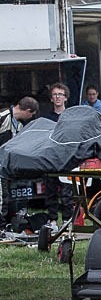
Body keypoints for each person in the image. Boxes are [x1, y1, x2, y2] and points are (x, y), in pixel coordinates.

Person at [0, 97, 39, 229]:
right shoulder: (3, 117)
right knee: (1, 197)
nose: (30, 118)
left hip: (7, 167)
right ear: (27, 111)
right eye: (31, 115)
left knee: (8, 198)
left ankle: (8, 224)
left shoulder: (20, 125)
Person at [42, 82, 74, 230]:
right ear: (51, 98)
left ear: (65, 98)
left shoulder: (71, 117)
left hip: (67, 159)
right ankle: (53, 220)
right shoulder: (46, 118)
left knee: (68, 192)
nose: (58, 97)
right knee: (51, 190)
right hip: (51, 158)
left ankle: (67, 221)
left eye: (60, 94)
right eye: (55, 94)